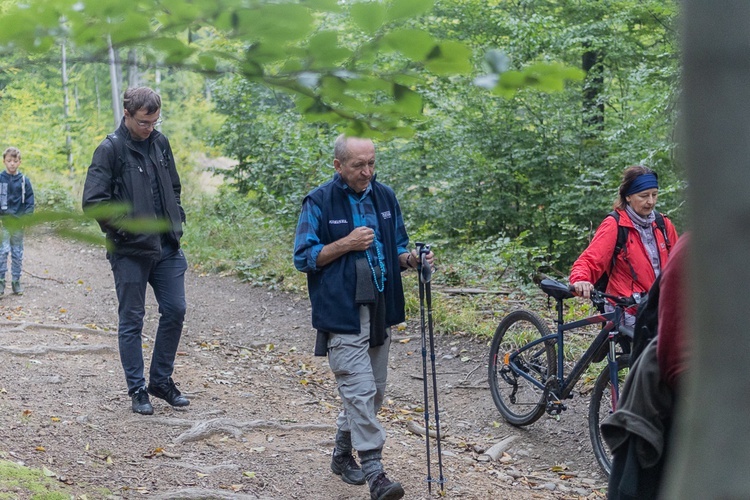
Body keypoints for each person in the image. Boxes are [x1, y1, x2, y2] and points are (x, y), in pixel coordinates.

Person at [294, 134, 433, 500]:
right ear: (338, 165)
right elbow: (304, 257)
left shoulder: (385, 196)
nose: (367, 172)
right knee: (358, 391)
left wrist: (411, 260)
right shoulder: (320, 201)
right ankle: (376, 473)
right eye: (358, 165)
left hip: (380, 309)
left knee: (373, 394)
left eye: (371, 163)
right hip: (341, 311)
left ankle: (342, 455)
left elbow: (398, 245)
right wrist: (346, 244)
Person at [82, 87, 189, 416]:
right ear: (127, 115)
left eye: (155, 121)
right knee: (132, 319)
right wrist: (128, 229)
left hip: (167, 247)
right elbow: (94, 204)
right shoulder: (109, 150)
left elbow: (173, 185)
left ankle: (160, 380)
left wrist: (176, 216)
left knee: (175, 310)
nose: (150, 128)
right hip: (129, 250)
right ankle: (137, 388)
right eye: (145, 122)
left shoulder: (160, 142)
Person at [570, 165, 679, 324]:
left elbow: (681, 265)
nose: (651, 201)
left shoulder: (663, 224)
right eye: (644, 196)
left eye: (654, 195)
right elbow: (591, 259)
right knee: (642, 348)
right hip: (626, 309)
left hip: (660, 308)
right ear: (628, 196)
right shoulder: (615, 224)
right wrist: (580, 280)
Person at [0, 147, 34, 295]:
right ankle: (1, 281)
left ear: (19, 162)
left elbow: (29, 200)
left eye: (15, 161)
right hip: (3, 223)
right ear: (4, 161)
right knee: (2, 251)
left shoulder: (24, 181)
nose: (12, 164)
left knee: (17, 252)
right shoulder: (0, 179)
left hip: (18, 223)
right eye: (9, 161)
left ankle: (16, 281)